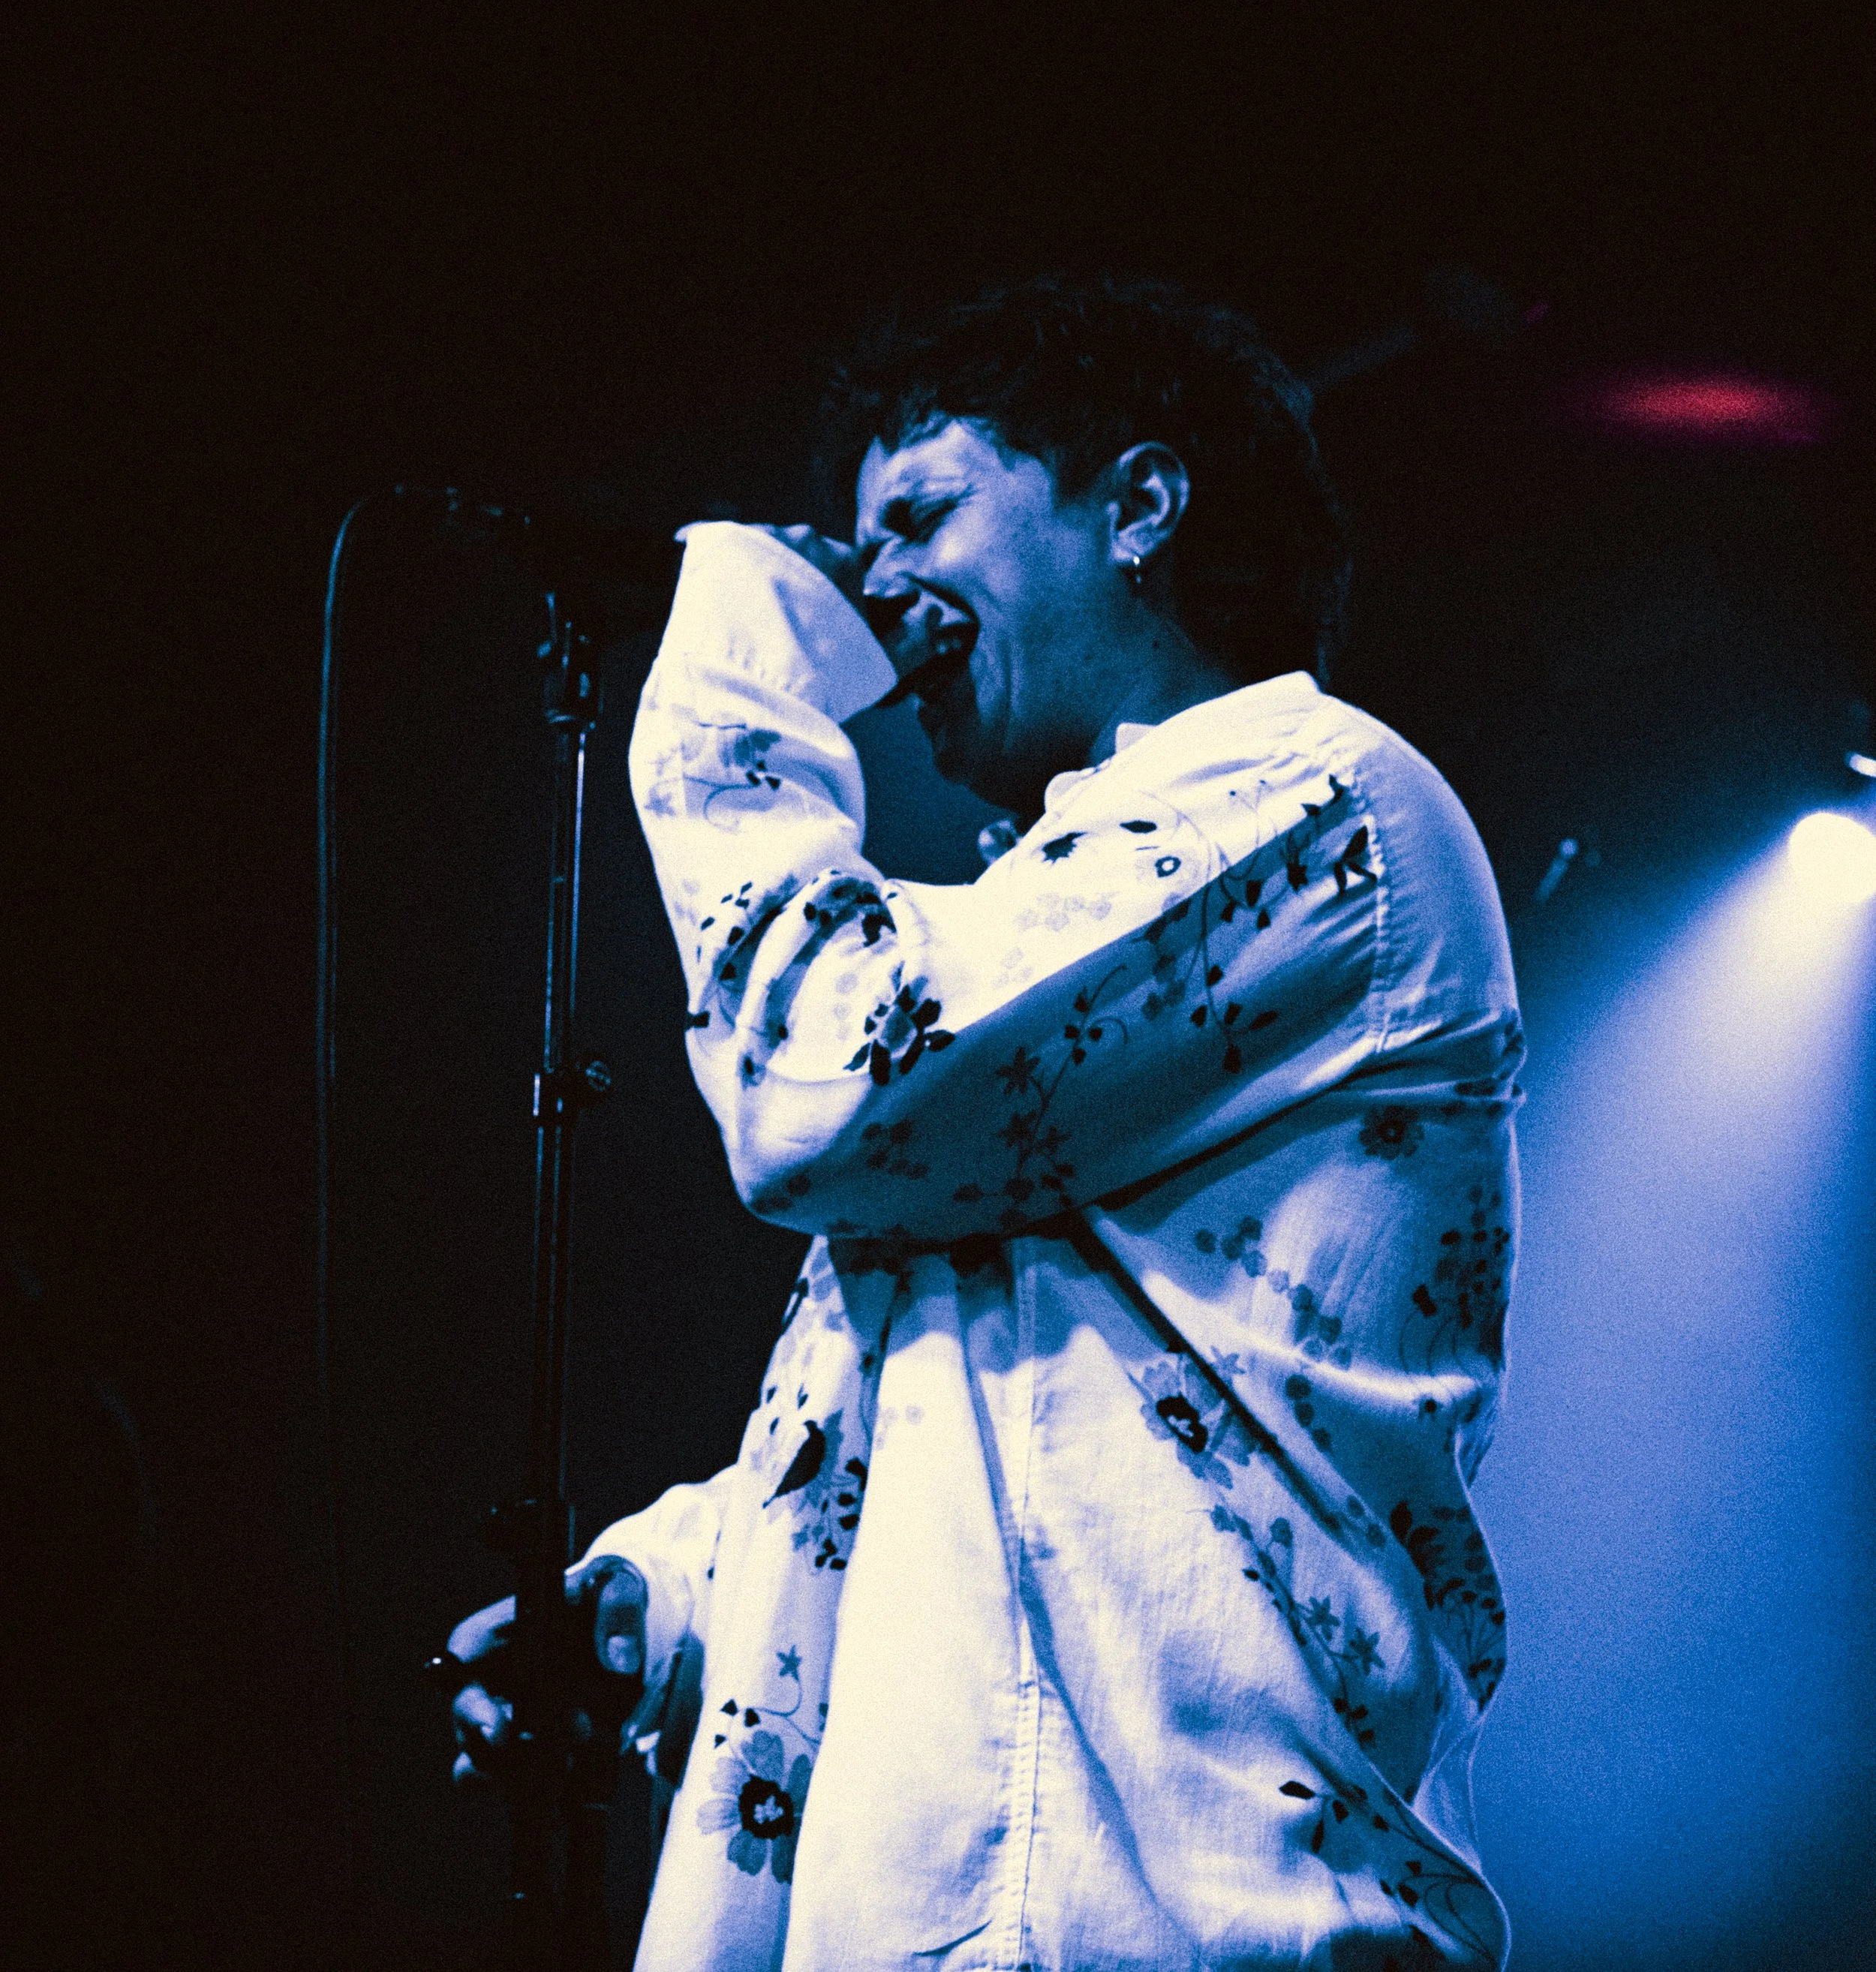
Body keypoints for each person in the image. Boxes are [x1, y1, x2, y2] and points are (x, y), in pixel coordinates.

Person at [449, 277, 1523, 1970]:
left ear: (1141, 508)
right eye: (859, 539)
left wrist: (729, 670)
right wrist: (662, 1600)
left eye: (925, 514)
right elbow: (949, 1419)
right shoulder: (1028, 923)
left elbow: (824, 1079)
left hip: (1192, 1923)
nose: (875, 587)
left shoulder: (1322, 804)